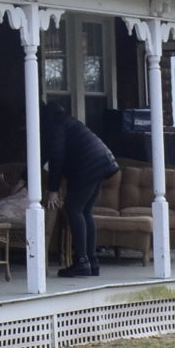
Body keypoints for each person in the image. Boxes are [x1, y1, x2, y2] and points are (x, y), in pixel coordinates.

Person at [41, 104, 119, 278]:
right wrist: (24, 179)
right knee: (84, 212)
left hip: (87, 167)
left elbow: (57, 157)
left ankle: (82, 261)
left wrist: (53, 189)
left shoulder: (56, 127)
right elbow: (44, 155)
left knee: (74, 209)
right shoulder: (68, 123)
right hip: (102, 162)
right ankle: (92, 261)